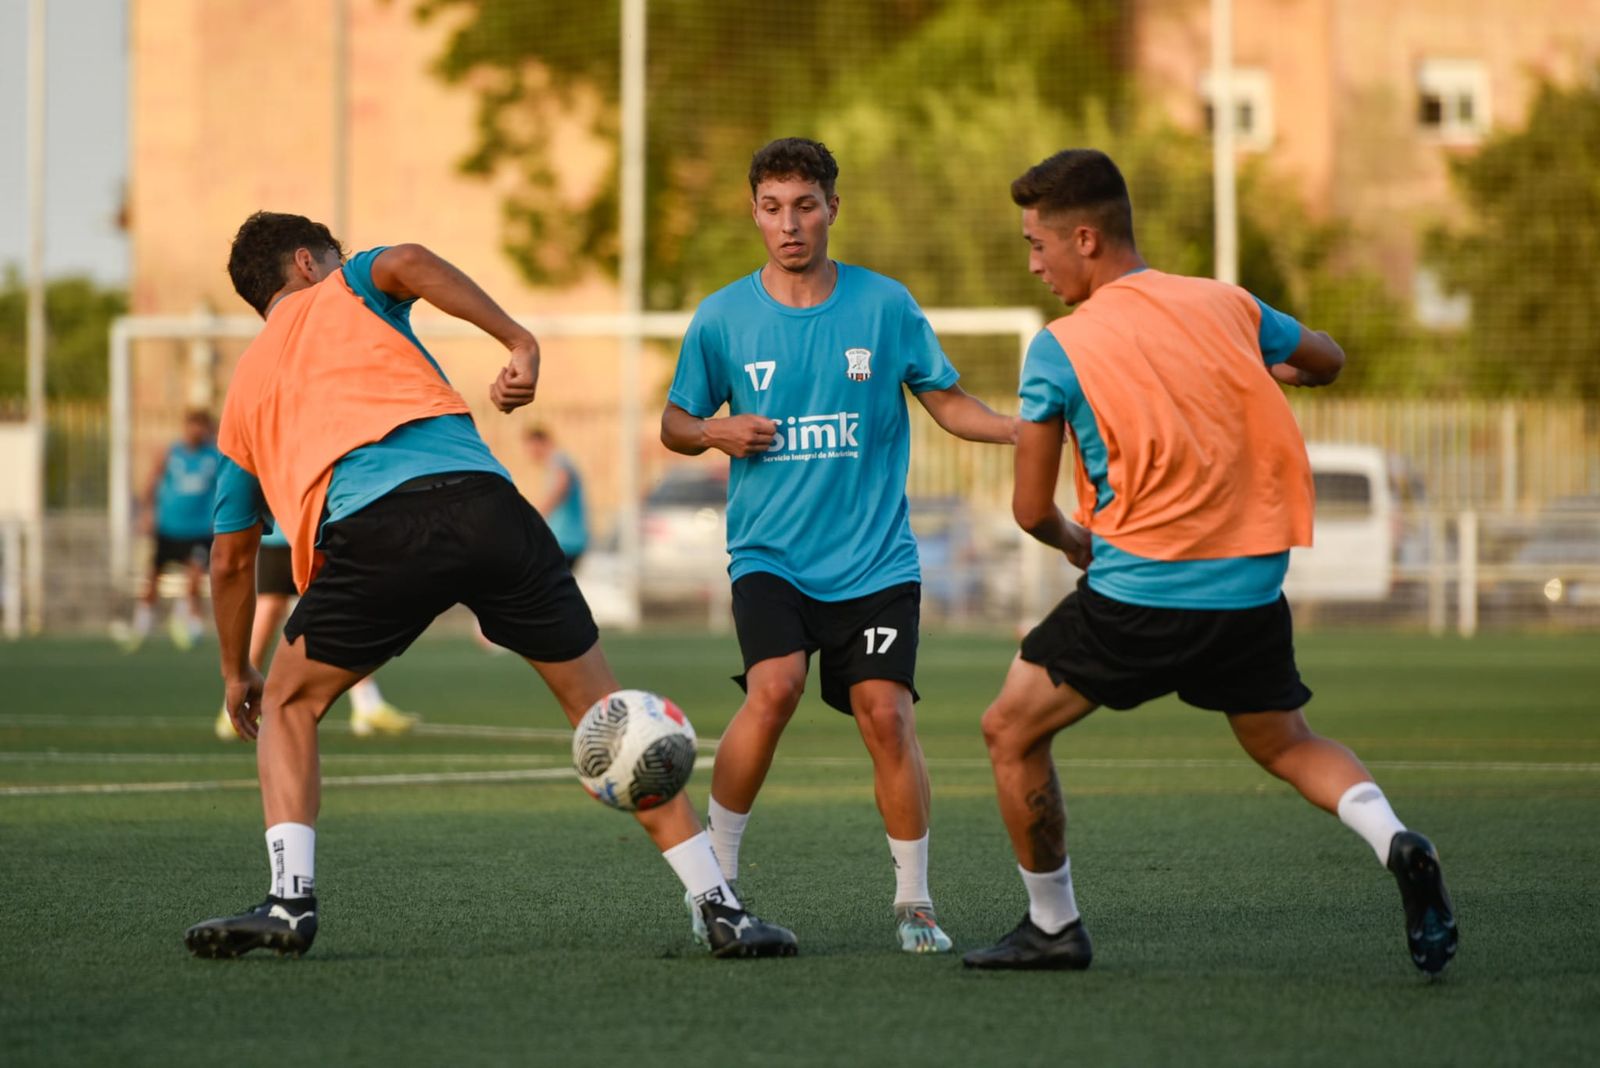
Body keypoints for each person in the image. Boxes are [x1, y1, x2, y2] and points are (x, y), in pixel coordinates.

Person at [184, 212, 795, 961]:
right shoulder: (349, 285)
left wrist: (233, 671)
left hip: (379, 535)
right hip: (489, 509)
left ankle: (289, 903)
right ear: (308, 263)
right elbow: (407, 257)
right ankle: (719, 908)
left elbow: (230, 560)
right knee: (607, 718)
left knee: (287, 700)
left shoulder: (243, 392)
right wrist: (519, 341)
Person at [961, 149, 1457, 974]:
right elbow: (1328, 359)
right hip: (1250, 592)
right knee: (1286, 741)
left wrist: (1072, 540)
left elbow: (1026, 510)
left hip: (1138, 597)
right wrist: (1266, 365)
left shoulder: (1059, 348)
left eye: (1036, 244)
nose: (1034, 264)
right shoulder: (1224, 303)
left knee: (1008, 731)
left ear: (1085, 238)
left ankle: (1053, 926)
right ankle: (1395, 837)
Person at [660, 138, 1017, 954]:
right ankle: (716, 885)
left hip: (875, 558)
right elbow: (675, 423)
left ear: (832, 208)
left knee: (885, 714)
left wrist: (1026, 431)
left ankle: (915, 902)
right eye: (773, 207)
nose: (790, 224)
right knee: (775, 688)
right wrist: (716, 429)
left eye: (806, 205)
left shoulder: (885, 306)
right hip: (769, 554)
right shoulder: (721, 317)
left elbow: (949, 402)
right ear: (754, 211)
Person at [210, 517, 419, 741]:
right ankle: (235, 704)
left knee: (337, 607)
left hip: (314, 528)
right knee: (274, 605)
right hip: (290, 526)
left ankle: (366, 702)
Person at [121, 409, 220, 651]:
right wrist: (147, 513)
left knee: (195, 577)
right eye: (192, 425)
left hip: (199, 529)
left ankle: (189, 623)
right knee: (153, 577)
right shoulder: (171, 453)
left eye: (201, 426)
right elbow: (151, 483)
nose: (196, 431)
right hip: (168, 527)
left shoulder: (214, 456)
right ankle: (141, 625)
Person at [523, 426, 588, 570]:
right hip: (566, 540)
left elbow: (562, 484)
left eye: (530, 447)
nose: (529, 453)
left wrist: (536, 515)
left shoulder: (558, 459)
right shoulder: (557, 461)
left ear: (540, 442)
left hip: (566, 540)